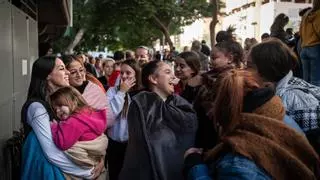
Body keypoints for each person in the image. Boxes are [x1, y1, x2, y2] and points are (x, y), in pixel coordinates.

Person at [184, 69, 320, 180]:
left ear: (224, 110)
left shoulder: (237, 163)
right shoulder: (279, 117)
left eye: (212, 109)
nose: (209, 114)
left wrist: (195, 168)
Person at [21, 56, 104, 179]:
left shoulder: (68, 98)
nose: (67, 72)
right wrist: (87, 172)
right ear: (47, 75)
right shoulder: (37, 108)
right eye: (61, 69)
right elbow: (51, 152)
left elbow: (88, 132)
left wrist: (98, 160)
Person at [119, 60, 198, 180]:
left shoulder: (181, 104)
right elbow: (141, 149)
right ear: (154, 79)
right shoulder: (141, 105)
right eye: (167, 72)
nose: (173, 76)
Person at [249, 39, 320, 154]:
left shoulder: (292, 99)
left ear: (266, 69)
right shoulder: (280, 86)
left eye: (249, 66)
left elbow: (307, 150)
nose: (244, 71)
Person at [193, 40, 244, 151]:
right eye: (210, 58)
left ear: (230, 59)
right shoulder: (209, 78)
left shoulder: (231, 80)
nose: (211, 62)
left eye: (214, 58)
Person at [50, 86, 108, 179]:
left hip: (85, 162)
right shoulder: (88, 113)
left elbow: (62, 143)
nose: (58, 111)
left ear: (73, 101)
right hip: (95, 159)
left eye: (60, 105)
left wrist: (54, 127)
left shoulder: (73, 122)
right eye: (55, 109)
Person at [106, 59, 143, 180]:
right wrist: (121, 92)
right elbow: (110, 115)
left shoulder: (142, 94)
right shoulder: (112, 91)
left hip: (133, 146)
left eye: (128, 73)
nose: (124, 76)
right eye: (122, 73)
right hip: (114, 143)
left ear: (136, 74)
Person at [299, 0, 320, 86]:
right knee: (316, 80)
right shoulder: (318, 14)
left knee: (305, 80)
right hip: (315, 48)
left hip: (304, 49)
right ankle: (315, 99)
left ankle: (305, 98)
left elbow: (300, 31)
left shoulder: (306, 14)